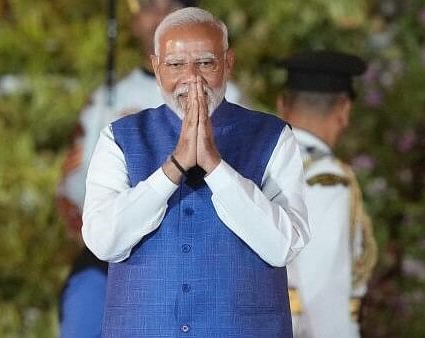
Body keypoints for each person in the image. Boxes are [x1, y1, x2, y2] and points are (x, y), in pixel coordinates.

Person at [82, 7, 310, 337]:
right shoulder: (119, 137)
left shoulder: (273, 136)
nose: (192, 78)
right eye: (175, 64)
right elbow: (103, 241)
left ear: (227, 63)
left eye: (205, 63)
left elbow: (284, 246)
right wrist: (172, 168)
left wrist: (217, 168)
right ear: (156, 67)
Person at [55, 1, 243, 337]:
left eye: (167, 6)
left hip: (204, 261)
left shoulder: (230, 97)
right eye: (146, 7)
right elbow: (75, 190)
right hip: (116, 259)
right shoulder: (105, 101)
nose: (157, 17)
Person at [276, 50, 378, 338]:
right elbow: (323, 292)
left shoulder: (253, 164)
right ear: (344, 110)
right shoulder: (328, 180)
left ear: (282, 105)